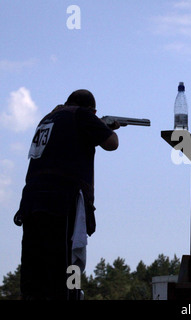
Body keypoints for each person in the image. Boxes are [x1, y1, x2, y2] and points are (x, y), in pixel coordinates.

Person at [14, 89, 120, 300]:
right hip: (61, 203)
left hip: (32, 204)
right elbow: (112, 143)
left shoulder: (48, 119)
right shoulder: (80, 115)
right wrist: (102, 126)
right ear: (92, 110)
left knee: (34, 272)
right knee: (67, 267)